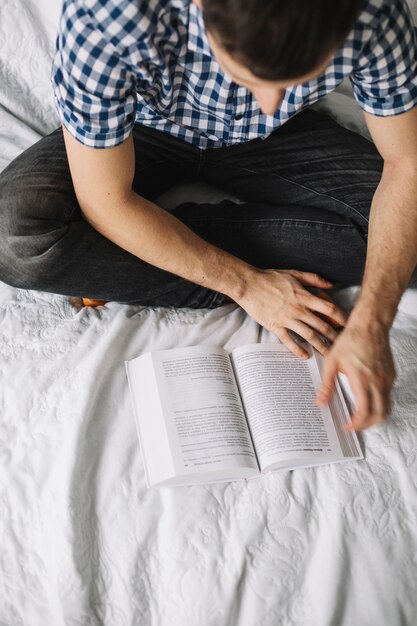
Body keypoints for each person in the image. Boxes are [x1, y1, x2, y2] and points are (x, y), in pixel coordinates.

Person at [0, 0, 416, 431]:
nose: (270, 103)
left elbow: (407, 164)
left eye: (299, 78)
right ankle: (151, 238)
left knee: (407, 242)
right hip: (141, 130)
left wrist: (374, 320)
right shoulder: (107, 14)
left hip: (274, 140)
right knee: (13, 237)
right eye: (248, 74)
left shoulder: (372, 11)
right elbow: (106, 199)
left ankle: (139, 242)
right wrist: (248, 285)